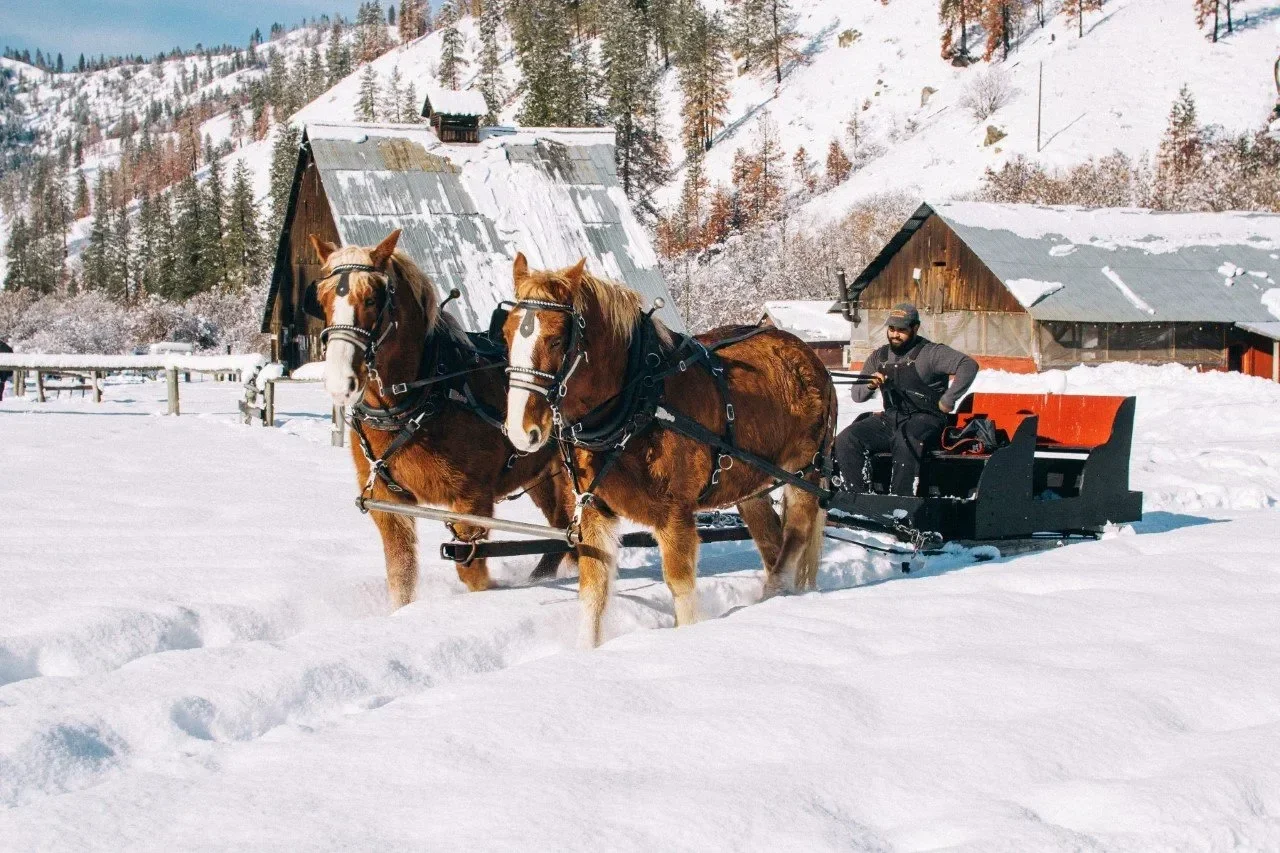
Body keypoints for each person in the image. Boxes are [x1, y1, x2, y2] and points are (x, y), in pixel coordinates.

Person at [834, 303, 978, 496]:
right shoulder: (879, 356)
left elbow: (968, 365)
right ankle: (857, 499)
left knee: (905, 439)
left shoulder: (931, 353)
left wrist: (949, 398)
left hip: (927, 419)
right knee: (847, 439)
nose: (895, 335)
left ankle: (900, 503)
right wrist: (870, 385)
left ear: (915, 328)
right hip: (891, 418)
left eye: (901, 330)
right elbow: (857, 395)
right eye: (892, 329)